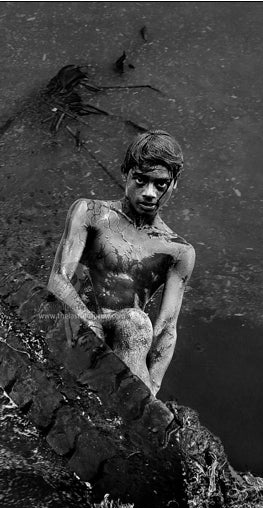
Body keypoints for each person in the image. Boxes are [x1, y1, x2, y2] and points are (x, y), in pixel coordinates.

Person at [47, 130, 195, 396]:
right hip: (73, 322)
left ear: (174, 183)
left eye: (160, 184)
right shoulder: (91, 212)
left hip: (125, 341)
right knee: (135, 322)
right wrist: (89, 323)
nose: (149, 193)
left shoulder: (178, 251)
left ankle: (137, 402)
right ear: (126, 173)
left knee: (135, 323)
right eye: (140, 179)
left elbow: (166, 328)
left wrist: (153, 387)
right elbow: (58, 279)